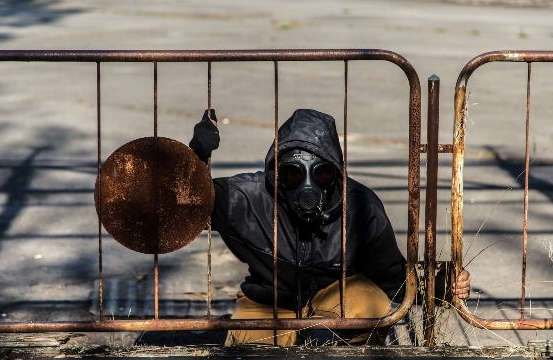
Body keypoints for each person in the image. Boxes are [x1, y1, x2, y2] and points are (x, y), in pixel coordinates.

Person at [189, 108, 470, 346]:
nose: (307, 188)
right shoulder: (244, 199)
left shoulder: (361, 207)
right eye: (292, 175)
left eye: (321, 174)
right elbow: (182, 211)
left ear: (335, 175)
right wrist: (194, 161)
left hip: (337, 289)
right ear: (276, 175)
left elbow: (392, 277)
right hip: (268, 296)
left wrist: (444, 287)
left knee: (373, 311)